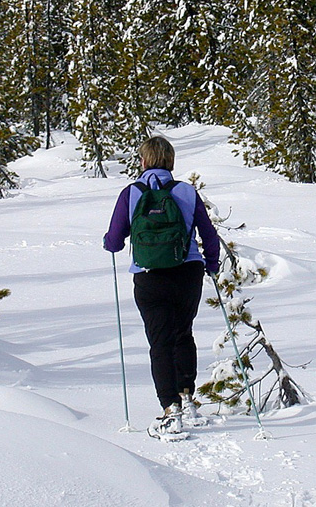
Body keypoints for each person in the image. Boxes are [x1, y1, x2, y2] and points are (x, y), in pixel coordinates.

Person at [103, 136, 220, 438]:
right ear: (171, 161)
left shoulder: (131, 193)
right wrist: (212, 264)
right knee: (183, 333)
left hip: (149, 275)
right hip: (188, 272)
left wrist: (108, 242)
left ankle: (170, 408)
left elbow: (115, 240)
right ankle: (187, 397)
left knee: (160, 342)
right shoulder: (186, 191)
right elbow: (209, 235)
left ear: (143, 161)